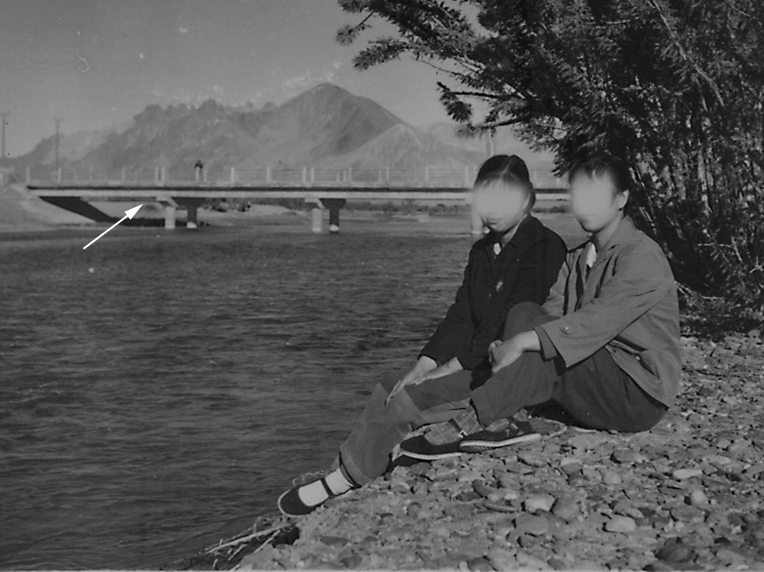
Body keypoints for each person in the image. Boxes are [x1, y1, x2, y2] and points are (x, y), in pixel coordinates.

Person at [277, 154, 567, 517]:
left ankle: (343, 481)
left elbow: (502, 324)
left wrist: (443, 371)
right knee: (389, 385)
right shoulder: (482, 250)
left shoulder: (544, 246)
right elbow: (461, 316)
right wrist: (423, 365)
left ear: (526, 199)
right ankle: (347, 470)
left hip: (506, 371)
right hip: (476, 360)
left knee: (409, 400)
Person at [405, 151, 680, 456]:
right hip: (592, 381)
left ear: (621, 199)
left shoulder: (641, 256)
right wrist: (507, 343)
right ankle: (509, 414)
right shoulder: (577, 258)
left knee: (544, 341)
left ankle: (477, 419)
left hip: (637, 394)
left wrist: (521, 343)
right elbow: (548, 315)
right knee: (525, 312)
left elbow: (594, 323)